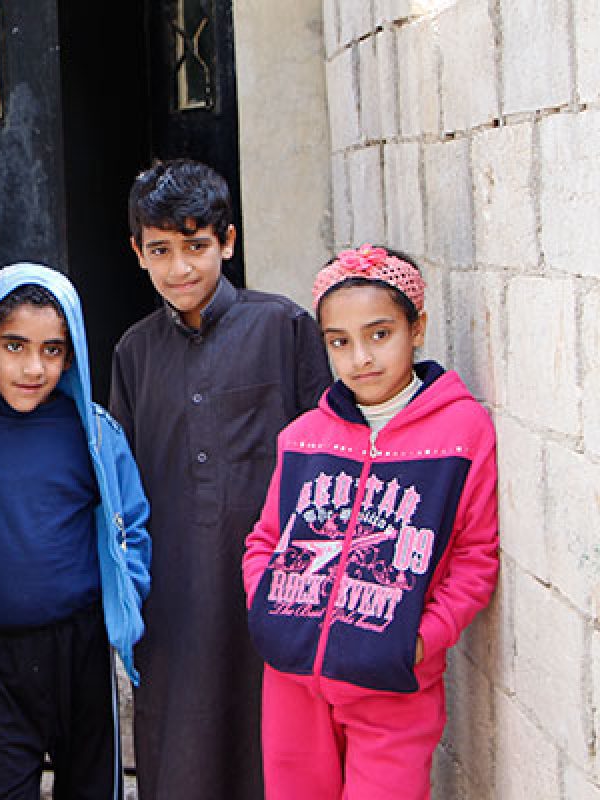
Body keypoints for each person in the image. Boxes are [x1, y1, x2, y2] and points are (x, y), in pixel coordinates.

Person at [108, 159, 332, 799]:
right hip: (174, 594)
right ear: (138, 252)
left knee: (275, 749)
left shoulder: (284, 329)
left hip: (273, 588)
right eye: (161, 250)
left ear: (228, 241)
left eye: (197, 247)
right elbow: (124, 486)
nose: (180, 269)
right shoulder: (133, 352)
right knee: (181, 755)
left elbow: (323, 462)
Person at [242, 245, 499, 799]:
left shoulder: (462, 431)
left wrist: (420, 643)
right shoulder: (304, 435)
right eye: (340, 341)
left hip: (392, 683)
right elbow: (266, 539)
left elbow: (476, 557)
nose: (361, 357)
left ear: (417, 327)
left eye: (379, 334)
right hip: (293, 680)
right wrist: (269, 613)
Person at [0, 263, 151, 799]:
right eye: (15, 346)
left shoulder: (94, 434)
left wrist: (126, 602)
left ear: (70, 354)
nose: (33, 367)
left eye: (52, 349)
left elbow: (131, 523)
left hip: (83, 651)